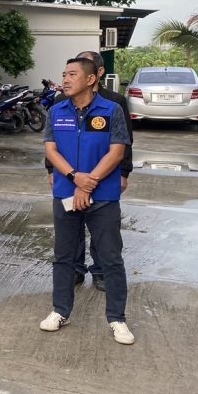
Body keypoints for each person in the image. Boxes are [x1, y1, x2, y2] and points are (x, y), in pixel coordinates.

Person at [41, 57, 134, 345]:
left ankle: (117, 318)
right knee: (63, 256)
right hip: (66, 193)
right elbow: (51, 150)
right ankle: (60, 310)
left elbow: (117, 152)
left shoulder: (111, 110)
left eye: (72, 74)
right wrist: (75, 177)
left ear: (91, 79)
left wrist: (88, 182)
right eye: (64, 74)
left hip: (103, 197)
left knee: (110, 258)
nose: (65, 79)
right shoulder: (56, 111)